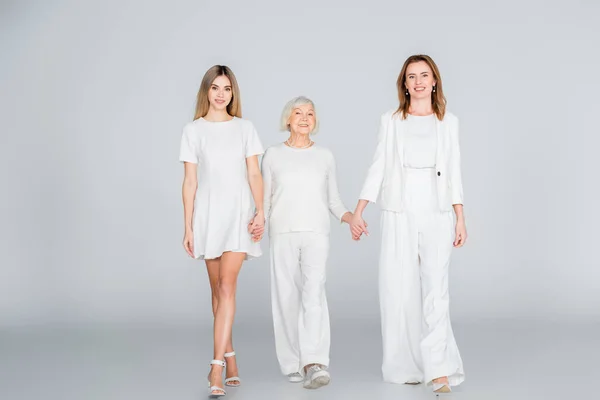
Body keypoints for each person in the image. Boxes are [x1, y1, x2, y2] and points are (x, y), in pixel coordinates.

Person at [350, 55, 467, 394]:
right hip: (399, 209)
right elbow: (378, 167)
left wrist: (460, 217)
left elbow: (455, 172)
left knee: (436, 289)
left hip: (438, 211)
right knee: (397, 289)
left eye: (424, 75)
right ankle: (406, 366)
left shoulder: (449, 122)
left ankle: (439, 368)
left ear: (434, 81)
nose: (418, 81)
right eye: (411, 76)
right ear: (404, 83)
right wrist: (359, 211)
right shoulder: (391, 120)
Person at [179, 65, 265, 398]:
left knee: (228, 285)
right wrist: (187, 225)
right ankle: (231, 357)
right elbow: (190, 181)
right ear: (207, 91)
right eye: (215, 88)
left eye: (227, 88)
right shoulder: (193, 130)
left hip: (239, 216)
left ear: (233, 93)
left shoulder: (245, 128)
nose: (221, 94)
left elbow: (255, 175)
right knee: (217, 291)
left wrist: (261, 212)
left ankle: (215, 365)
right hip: (208, 217)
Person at [259, 96, 353, 389]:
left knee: (314, 294)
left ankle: (315, 362)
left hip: (316, 233)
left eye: (309, 113)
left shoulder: (325, 156)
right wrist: (258, 221)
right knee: (286, 297)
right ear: (287, 119)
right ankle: (291, 362)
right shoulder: (272, 155)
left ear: (315, 121)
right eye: (298, 113)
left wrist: (350, 218)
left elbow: (333, 200)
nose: (304, 118)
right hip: (283, 232)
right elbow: (264, 200)